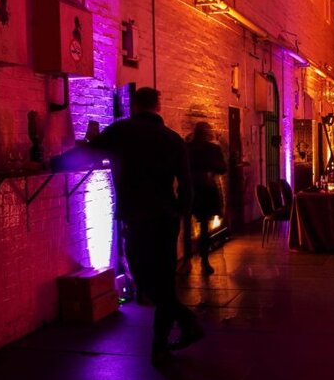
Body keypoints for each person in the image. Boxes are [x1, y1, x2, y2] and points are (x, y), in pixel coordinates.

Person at [52, 87, 204, 363]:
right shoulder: (173, 140)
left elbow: (87, 153)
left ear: (134, 105)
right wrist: (182, 215)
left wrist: (53, 163)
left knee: (144, 278)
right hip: (166, 217)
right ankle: (163, 342)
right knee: (164, 279)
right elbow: (186, 185)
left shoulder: (121, 132)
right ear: (158, 105)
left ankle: (185, 322)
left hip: (136, 215)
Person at [186, 121, 227, 275]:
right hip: (206, 189)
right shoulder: (213, 148)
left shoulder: (187, 148)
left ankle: (187, 260)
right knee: (204, 227)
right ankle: (204, 260)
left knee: (186, 226)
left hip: (189, 189)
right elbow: (222, 168)